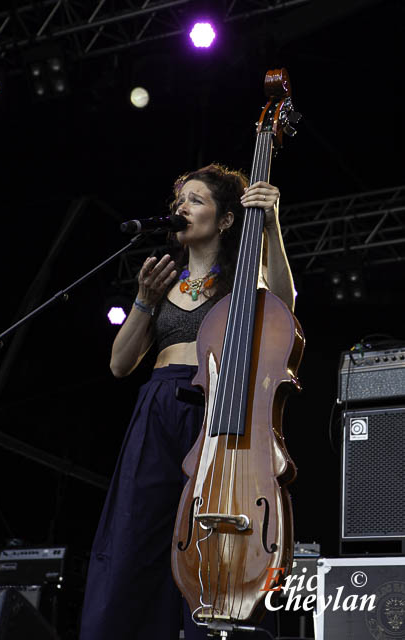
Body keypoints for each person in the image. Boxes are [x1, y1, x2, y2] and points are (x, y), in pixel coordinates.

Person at [79, 164, 295, 640]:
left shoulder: (242, 281)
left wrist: (272, 224)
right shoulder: (164, 281)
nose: (182, 208)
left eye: (196, 200)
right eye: (180, 200)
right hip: (157, 409)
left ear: (224, 221)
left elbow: (283, 304)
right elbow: (120, 364)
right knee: (136, 534)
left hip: (215, 415)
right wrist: (142, 299)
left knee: (210, 537)